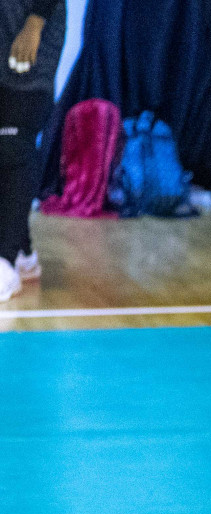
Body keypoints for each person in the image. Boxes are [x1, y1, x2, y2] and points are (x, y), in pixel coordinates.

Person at [0, 0, 63, 296]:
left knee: (14, 140)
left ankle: (5, 260)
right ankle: (22, 251)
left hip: (28, 24)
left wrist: (36, 22)